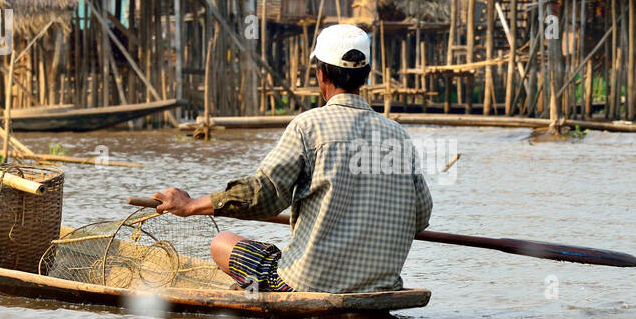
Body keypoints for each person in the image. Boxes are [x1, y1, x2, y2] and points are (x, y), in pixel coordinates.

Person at [153, 24, 433, 294]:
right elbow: (420, 215)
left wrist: (191, 205)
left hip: (308, 282)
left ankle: (255, 288)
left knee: (221, 243)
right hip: (381, 283)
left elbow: (264, 196)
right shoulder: (397, 135)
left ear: (321, 74)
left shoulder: (308, 126)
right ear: (367, 74)